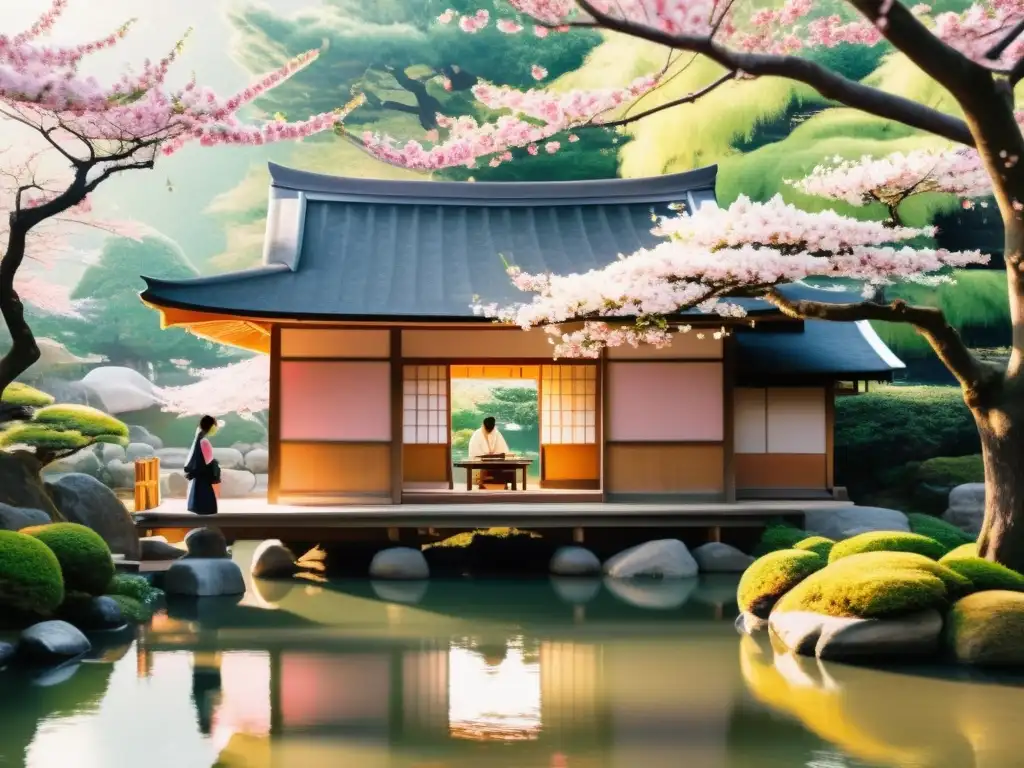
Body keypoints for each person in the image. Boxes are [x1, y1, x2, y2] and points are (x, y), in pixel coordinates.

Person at [184, 415, 221, 515]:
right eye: (215, 425)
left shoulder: (199, 439)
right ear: (211, 426)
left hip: (198, 476)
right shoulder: (204, 441)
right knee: (207, 504)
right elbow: (208, 460)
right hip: (203, 476)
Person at [468, 416, 513, 489]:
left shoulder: (496, 433)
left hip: (495, 457)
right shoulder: (478, 433)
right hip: (482, 457)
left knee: (502, 464)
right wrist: (485, 454)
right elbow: (474, 448)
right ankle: (482, 483)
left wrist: (494, 454)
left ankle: (504, 483)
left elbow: (501, 447)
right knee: (483, 464)